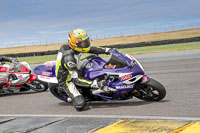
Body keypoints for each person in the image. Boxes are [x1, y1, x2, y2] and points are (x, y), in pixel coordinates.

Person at [56, 28, 114, 111]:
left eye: (86, 41)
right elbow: (76, 79)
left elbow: (91, 49)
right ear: (75, 43)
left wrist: (108, 50)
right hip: (67, 80)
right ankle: (73, 97)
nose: (85, 44)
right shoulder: (69, 58)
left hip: (74, 68)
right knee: (80, 105)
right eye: (83, 43)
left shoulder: (75, 47)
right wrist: (95, 83)